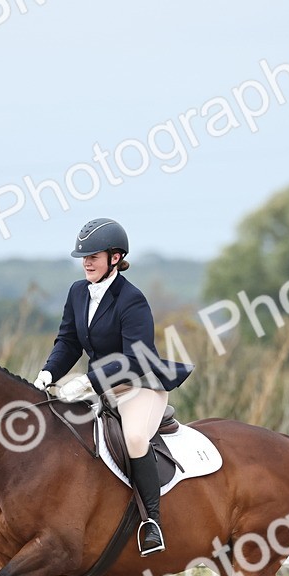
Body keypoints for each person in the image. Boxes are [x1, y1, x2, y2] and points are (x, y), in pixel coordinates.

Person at [34, 218, 192, 556]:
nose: (86, 262)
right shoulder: (78, 292)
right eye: (83, 257)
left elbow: (135, 358)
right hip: (100, 391)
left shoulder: (132, 299)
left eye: (93, 256)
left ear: (116, 258)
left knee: (135, 438)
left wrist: (87, 381)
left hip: (139, 389)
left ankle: (152, 523)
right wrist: (48, 374)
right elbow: (68, 341)